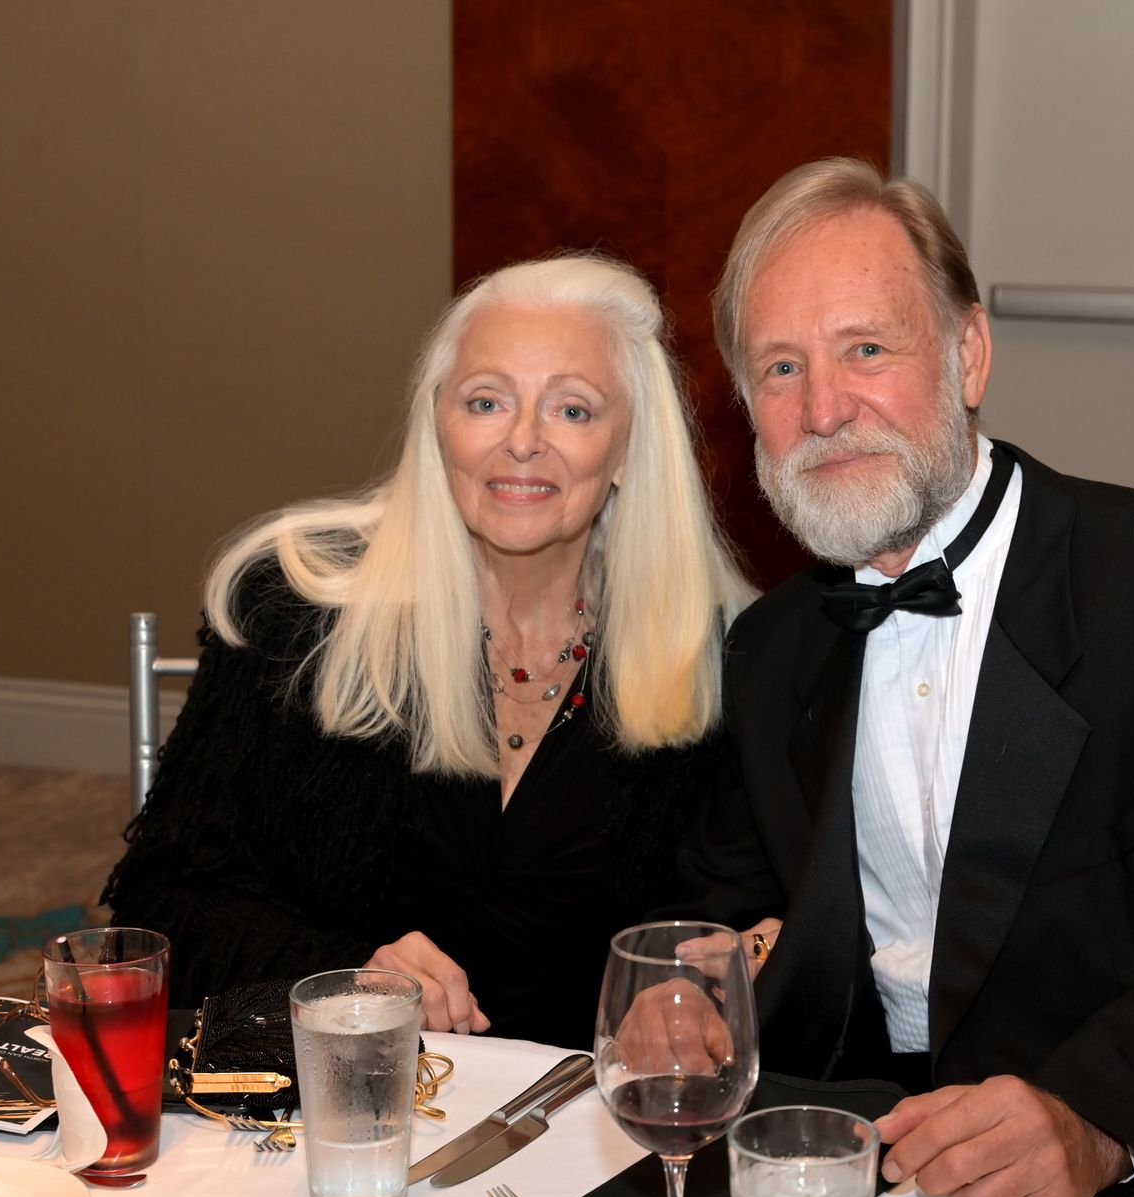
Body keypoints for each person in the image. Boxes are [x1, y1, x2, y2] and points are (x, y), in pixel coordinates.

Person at [677, 159, 1134, 1197]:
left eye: (867, 349)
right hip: (876, 1141)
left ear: (968, 354)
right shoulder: (771, 648)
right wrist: (697, 983)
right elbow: (731, 901)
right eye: (781, 369)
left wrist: (1098, 1123)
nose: (823, 409)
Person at [103, 253, 755, 1050]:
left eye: (572, 410)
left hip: (587, 1111)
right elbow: (160, 908)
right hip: (336, 1094)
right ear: (438, 423)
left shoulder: (712, 656)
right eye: (487, 401)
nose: (523, 441)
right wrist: (347, 981)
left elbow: (745, 927)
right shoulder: (296, 615)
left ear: (628, 450)